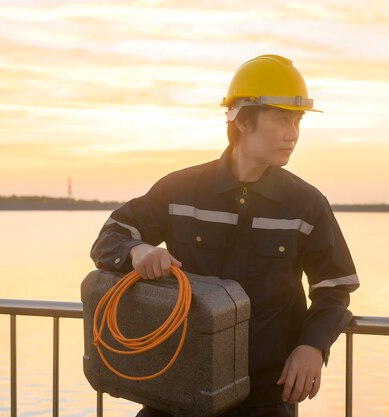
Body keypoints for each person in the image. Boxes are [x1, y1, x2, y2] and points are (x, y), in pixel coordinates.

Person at [90, 54, 359, 417]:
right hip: (177, 392)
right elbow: (110, 237)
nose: (292, 134)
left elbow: (335, 289)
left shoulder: (306, 204)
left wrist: (313, 346)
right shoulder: (180, 190)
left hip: (264, 397)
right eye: (282, 119)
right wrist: (137, 251)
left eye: (297, 121)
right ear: (244, 120)